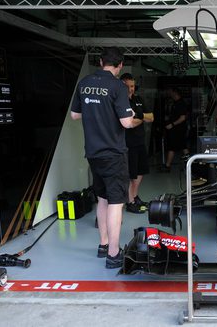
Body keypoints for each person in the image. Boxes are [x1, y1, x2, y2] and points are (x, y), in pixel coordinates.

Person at [71, 47, 140, 269]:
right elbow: (126, 123)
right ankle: (113, 254)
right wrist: (132, 116)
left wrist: (95, 111)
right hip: (114, 154)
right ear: (120, 66)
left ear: (101, 62)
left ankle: (103, 244)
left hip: (93, 153)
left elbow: (75, 115)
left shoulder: (84, 83)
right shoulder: (117, 86)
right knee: (116, 203)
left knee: (102, 198)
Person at [120, 73, 154, 214]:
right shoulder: (119, 101)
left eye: (132, 86)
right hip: (127, 144)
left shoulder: (138, 99)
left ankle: (134, 196)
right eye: (127, 86)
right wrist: (140, 117)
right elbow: (130, 123)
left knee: (140, 172)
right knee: (131, 175)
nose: (130, 89)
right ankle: (130, 201)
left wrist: (138, 115)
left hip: (140, 142)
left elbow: (151, 117)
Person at [161, 87, 190, 172]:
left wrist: (172, 124)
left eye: (170, 92)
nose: (169, 94)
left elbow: (183, 117)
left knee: (172, 147)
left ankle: (167, 166)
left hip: (178, 129)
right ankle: (190, 164)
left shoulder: (181, 103)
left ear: (175, 93)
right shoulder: (175, 103)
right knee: (183, 146)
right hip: (176, 129)